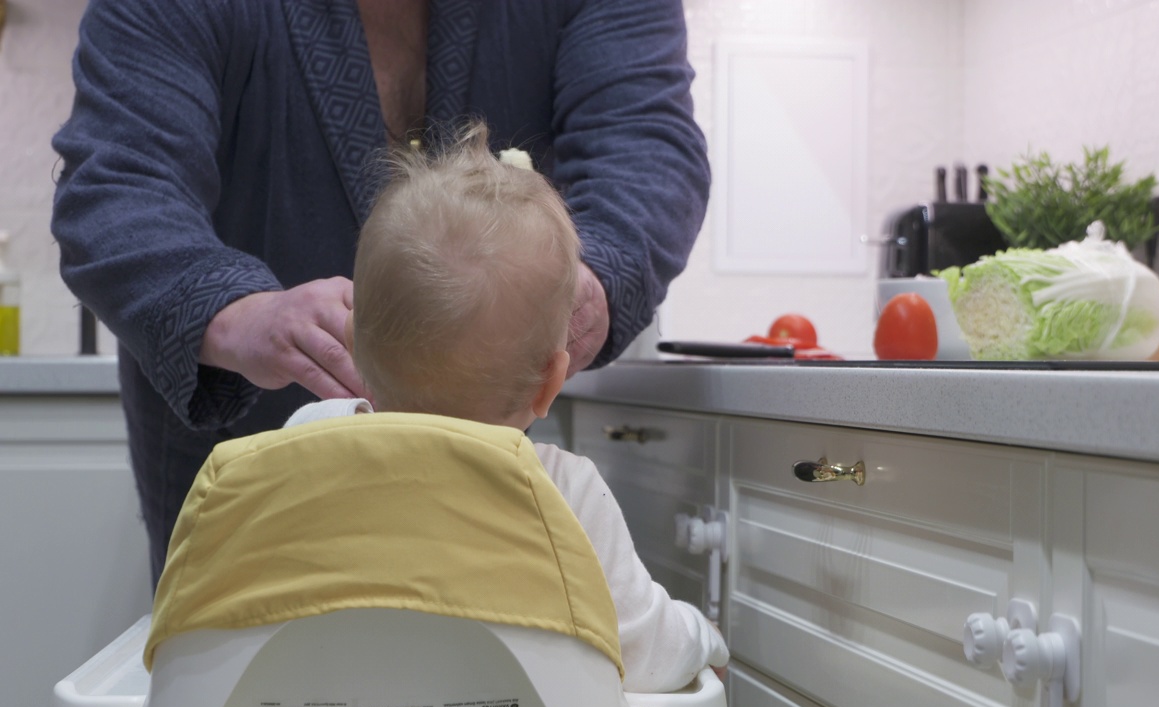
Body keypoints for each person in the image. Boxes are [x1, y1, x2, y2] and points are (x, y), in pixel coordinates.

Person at [50, 0, 710, 583]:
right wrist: (239, 316)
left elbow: (644, 145)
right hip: (236, 472)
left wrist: (586, 284)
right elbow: (118, 183)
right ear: (549, 380)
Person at [278, 123, 727, 692]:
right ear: (551, 382)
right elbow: (644, 652)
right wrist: (703, 635)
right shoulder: (561, 490)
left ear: (351, 341)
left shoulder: (303, 440)